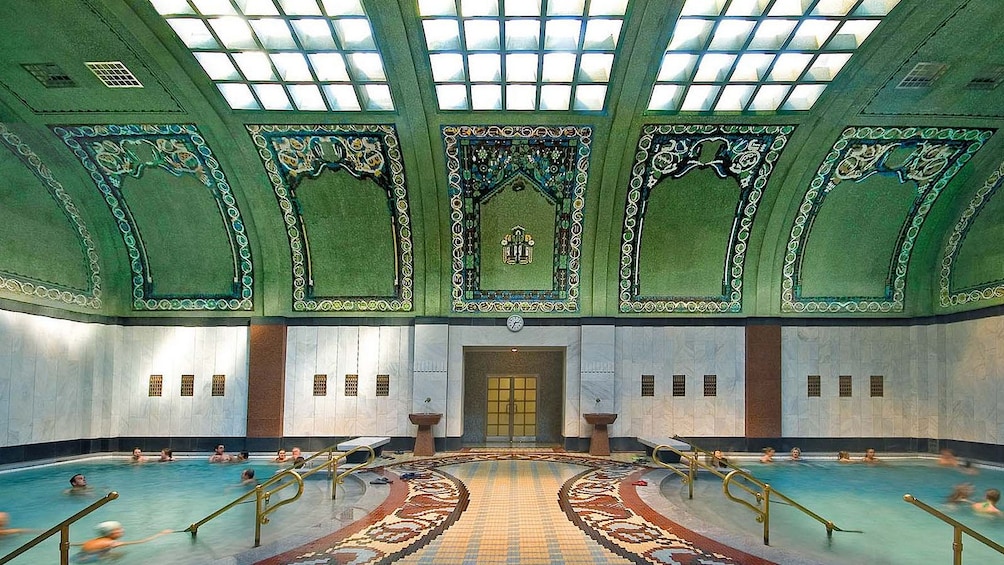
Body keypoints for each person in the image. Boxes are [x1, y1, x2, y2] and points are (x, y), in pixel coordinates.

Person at [72, 521, 172, 562]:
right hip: (89, 558)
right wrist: (161, 533)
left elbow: (80, 544)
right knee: (119, 555)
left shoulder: (97, 540)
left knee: (111, 553)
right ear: (111, 533)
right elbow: (142, 541)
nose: (122, 530)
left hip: (77, 557)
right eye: (118, 530)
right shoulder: (111, 543)